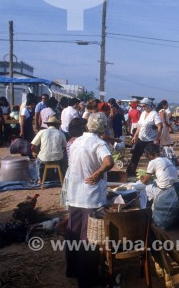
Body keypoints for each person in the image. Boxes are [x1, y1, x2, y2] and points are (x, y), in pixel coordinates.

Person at [65, 112, 114, 287]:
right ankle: (87, 280)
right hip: (90, 197)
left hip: (74, 195)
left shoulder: (77, 141)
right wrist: (99, 173)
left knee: (74, 233)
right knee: (88, 239)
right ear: (103, 127)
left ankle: (72, 270)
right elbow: (109, 162)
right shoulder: (99, 143)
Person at [126, 98, 162, 177]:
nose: (143, 108)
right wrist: (135, 136)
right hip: (141, 139)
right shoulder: (142, 114)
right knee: (135, 156)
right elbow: (139, 126)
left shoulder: (154, 114)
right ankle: (130, 173)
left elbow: (160, 126)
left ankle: (156, 174)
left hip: (151, 140)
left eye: (144, 106)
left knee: (152, 157)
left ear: (149, 105)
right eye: (142, 106)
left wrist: (156, 139)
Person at [31, 116, 67, 181]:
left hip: (44, 158)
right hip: (58, 158)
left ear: (47, 124)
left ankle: (39, 179)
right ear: (57, 125)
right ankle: (61, 177)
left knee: (37, 161)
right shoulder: (61, 133)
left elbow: (32, 146)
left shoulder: (42, 132)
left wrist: (38, 153)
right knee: (64, 159)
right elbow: (64, 147)